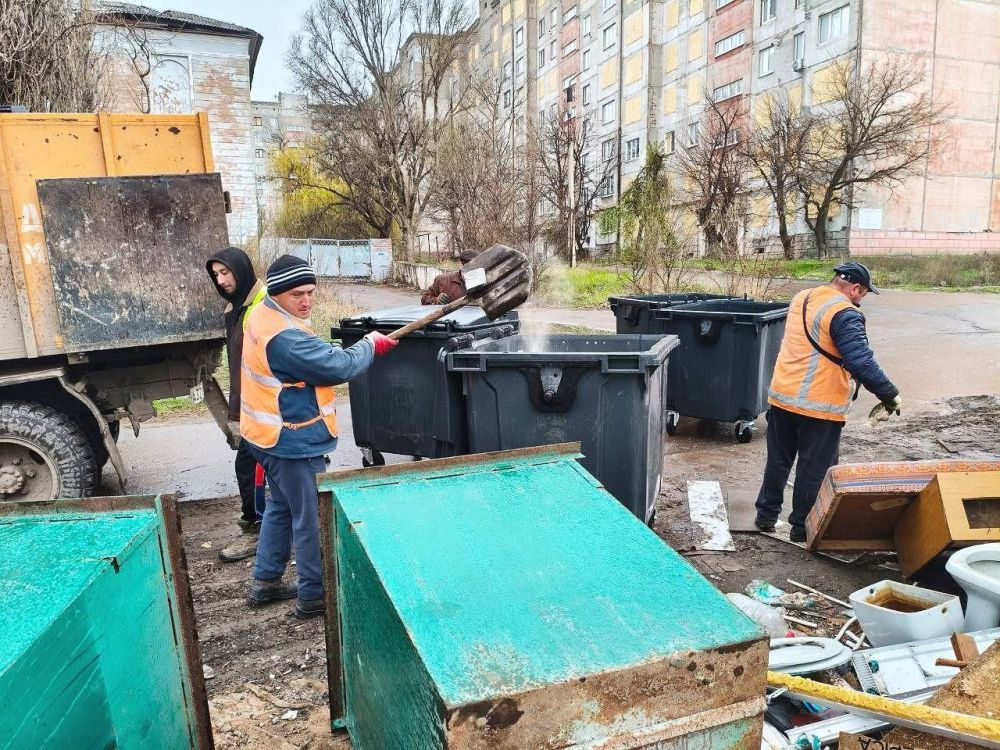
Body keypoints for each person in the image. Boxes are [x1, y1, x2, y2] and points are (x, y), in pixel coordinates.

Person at [240, 255, 398, 618]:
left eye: (311, 292)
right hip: (291, 442)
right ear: (277, 293)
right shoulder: (284, 338)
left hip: (264, 437)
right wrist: (370, 345)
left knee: (281, 506)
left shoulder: (265, 313)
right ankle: (315, 596)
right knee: (311, 518)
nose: (307, 301)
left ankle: (265, 581)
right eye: (298, 294)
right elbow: (337, 366)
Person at [755, 262, 901, 543]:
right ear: (855, 288)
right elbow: (860, 361)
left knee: (778, 460)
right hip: (818, 405)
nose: (861, 299)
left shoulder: (803, 297)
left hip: (783, 396)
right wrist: (889, 394)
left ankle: (765, 516)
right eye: (864, 294)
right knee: (813, 469)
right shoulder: (844, 312)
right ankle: (801, 528)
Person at [206, 247, 267, 562]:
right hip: (251, 406)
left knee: (251, 468)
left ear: (241, 270)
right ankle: (264, 522)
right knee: (257, 468)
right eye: (216, 275)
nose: (221, 280)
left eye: (225, 272)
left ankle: (258, 528)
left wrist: (244, 412)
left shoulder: (260, 308)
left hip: (265, 408)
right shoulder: (240, 307)